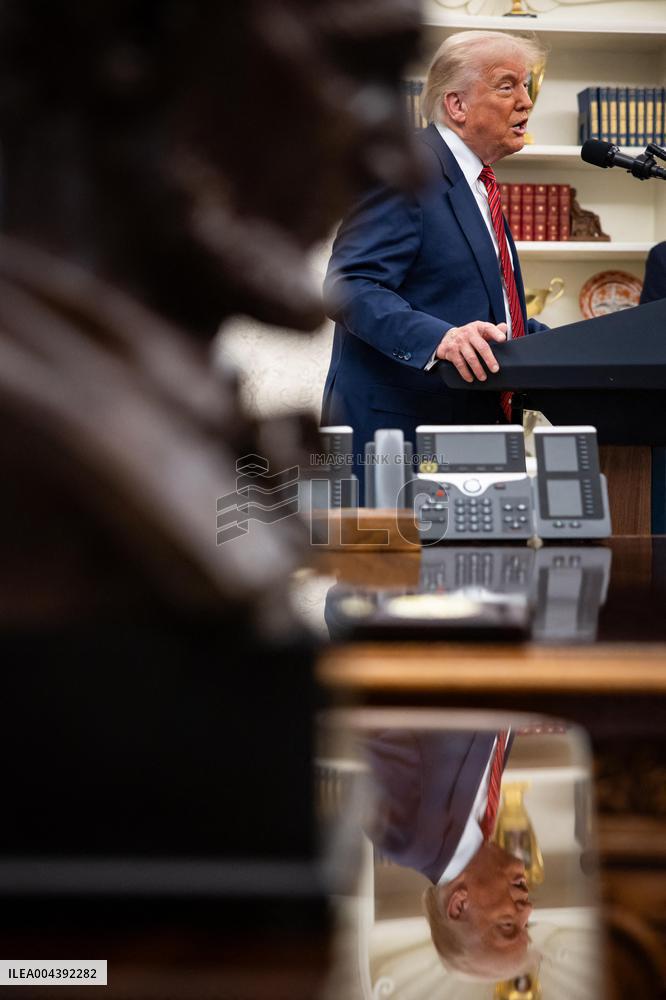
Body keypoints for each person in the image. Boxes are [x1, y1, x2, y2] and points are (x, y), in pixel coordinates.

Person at [322, 30, 547, 498]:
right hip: (397, 442)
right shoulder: (407, 171)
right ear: (456, 105)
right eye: (508, 86)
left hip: (471, 433)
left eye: (527, 86)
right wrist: (440, 339)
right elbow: (350, 284)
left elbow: (480, 304)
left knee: (479, 571)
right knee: (387, 575)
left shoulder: (478, 184)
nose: (526, 102)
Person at [364, 728, 536, 979]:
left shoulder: (406, 839)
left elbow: (374, 712)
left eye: (508, 925)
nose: (527, 909)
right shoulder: (484, 817)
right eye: (526, 925)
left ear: (459, 905)